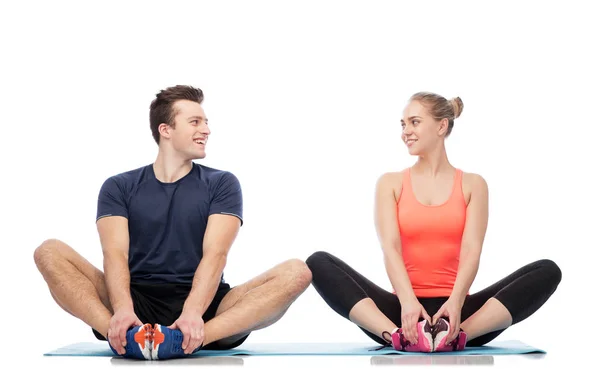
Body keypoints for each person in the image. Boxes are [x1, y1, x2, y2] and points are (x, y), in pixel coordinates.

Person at [34, 85, 313, 360]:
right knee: (49, 251)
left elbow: (216, 254)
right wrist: (122, 310)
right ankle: (122, 333)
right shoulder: (119, 186)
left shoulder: (221, 183)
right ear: (165, 130)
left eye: (206, 122)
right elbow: (114, 254)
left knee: (296, 272)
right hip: (135, 301)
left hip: (206, 307)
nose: (206, 129)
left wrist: (193, 313)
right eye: (195, 122)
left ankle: (185, 340)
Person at [305, 92, 562, 352]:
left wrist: (456, 303)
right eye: (403, 124)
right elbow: (390, 248)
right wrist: (407, 302)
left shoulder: (473, 185)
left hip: (458, 311)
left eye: (414, 122)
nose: (406, 131)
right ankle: (398, 335)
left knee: (547, 270)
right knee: (317, 262)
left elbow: (472, 250)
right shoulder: (390, 183)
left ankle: (455, 335)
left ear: (441, 126)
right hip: (402, 311)